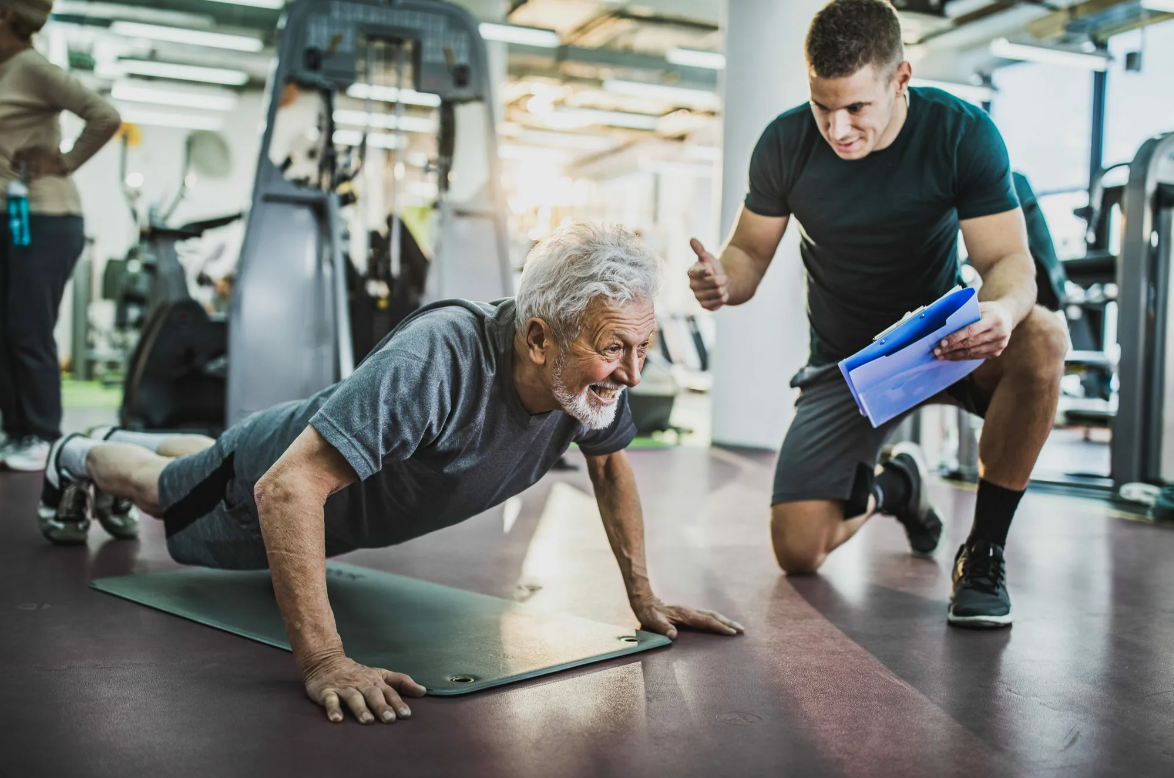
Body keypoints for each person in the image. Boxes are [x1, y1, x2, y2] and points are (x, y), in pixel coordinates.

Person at [40, 222, 744, 723]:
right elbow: (286, 488)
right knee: (162, 496)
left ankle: (127, 442)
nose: (632, 371)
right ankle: (75, 453)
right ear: (538, 339)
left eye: (643, 346)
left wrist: (643, 598)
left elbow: (612, 467)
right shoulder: (442, 360)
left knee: (202, 459)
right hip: (265, 475)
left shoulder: (583, 389)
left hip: (283, 445)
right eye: (616, 347)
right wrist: (324, 663)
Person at [687, 0, 1067, 628]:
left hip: (945, 344)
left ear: (901, 79)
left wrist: (1000, 308)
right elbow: (749, 254)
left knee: (1044, 335)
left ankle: (984, 551)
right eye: (822, 106)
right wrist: (724, 280)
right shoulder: (785, 142)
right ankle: (898, 488)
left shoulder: (961, 133)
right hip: (848, 363)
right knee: (798, 550)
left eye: (857, 107)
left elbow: (1008, 260)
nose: (837, 129)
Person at [0, 0, 121, 470]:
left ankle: (44, 438)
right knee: (6, 331)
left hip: (45, 218)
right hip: (12, 219)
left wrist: (63, 161)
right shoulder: (7, 68)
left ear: (7, 12)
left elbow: (103, 114)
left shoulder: (32, 67)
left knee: (27, 328)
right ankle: (17, 431)